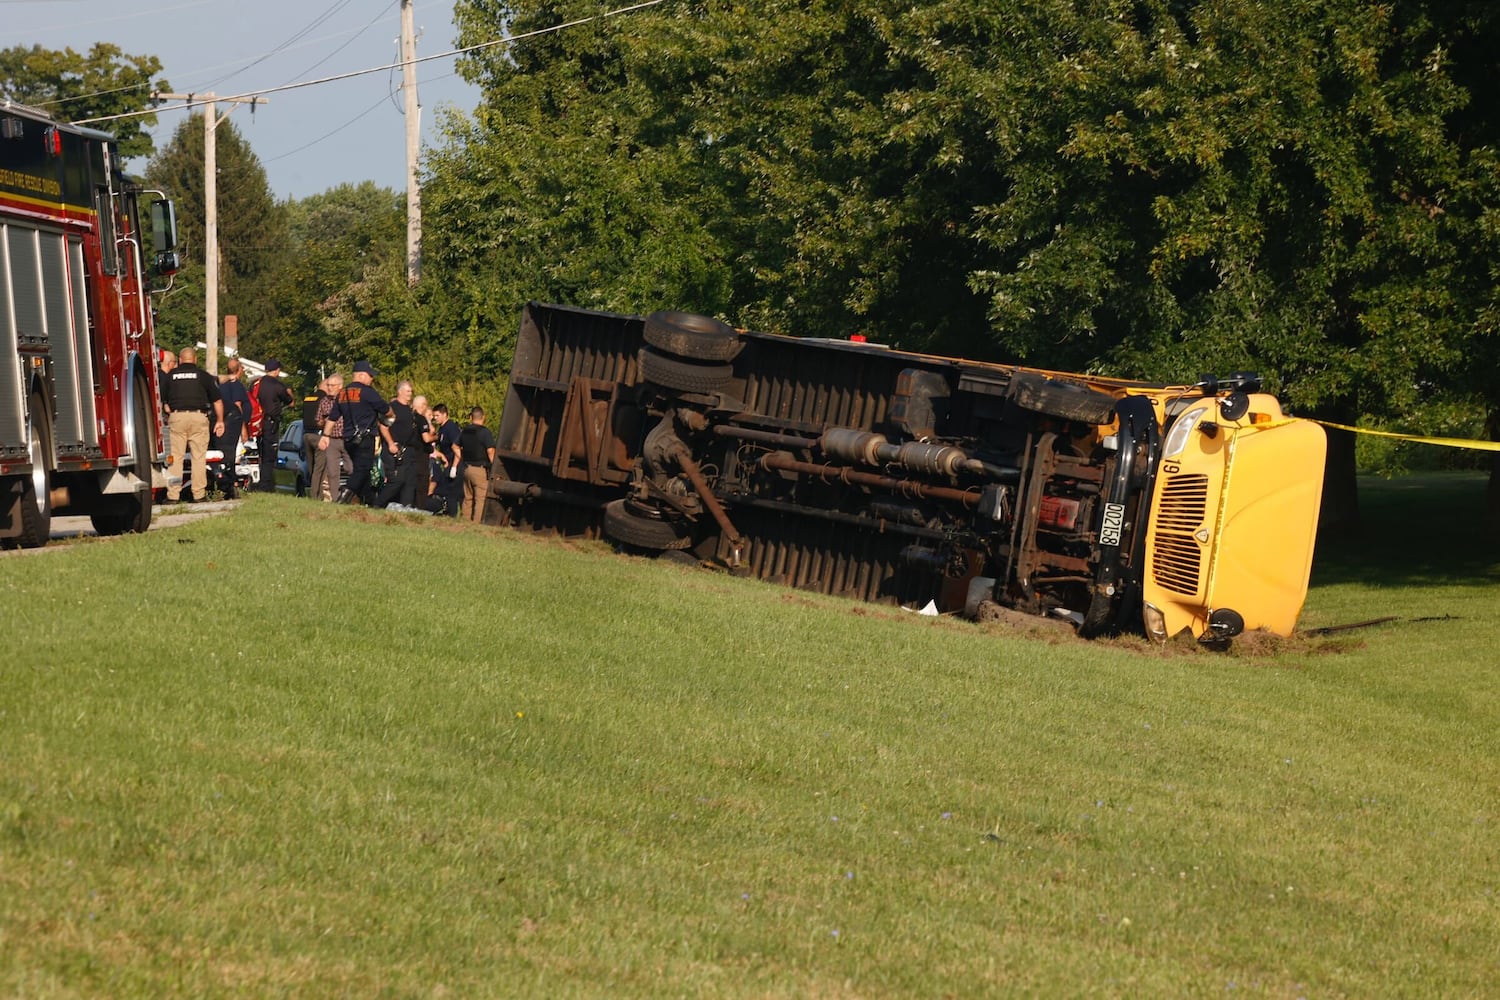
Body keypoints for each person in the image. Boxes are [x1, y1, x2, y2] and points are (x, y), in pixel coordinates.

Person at [162, 347, 225, 503]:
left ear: (180, 360)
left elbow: (164, 403)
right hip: (199, 417)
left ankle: (173, 496)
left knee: (176, 458)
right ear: (195, 359)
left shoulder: (170, 376)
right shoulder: (204, 377)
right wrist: (220, 420)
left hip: (177, 417)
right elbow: (217, 401)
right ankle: (198, 495)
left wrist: (171, 411)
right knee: (198, 457)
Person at [326, 360, 392, 505]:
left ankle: (371, 503)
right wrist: (392, 415)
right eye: (370, 376)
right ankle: (343, 497)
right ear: (362, 375)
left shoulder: (342, 393)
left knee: (362, 473)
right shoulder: (368, 392)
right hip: (365, 438)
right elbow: (385, 410)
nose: (372, 379)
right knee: (363, 470)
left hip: (349, 439)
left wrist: (325, 436)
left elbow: (332, 418)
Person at [373, 381, 433, 509]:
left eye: (411, 391)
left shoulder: (411, 411)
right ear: (400, 391)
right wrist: (390, 443)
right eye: (407, 391)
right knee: (397, 480)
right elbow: (383, 427)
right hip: (395, 449)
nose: (410, 394)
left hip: (410, 451)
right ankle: (377, 504)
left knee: (410, 481)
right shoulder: (392, 408)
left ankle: (406, 509)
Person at [213, 358, 252, 498]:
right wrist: (243, 428)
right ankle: (231, 483)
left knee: (224, 454)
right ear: (239, 369)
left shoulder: (221, 384)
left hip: (221, 422)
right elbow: (238, 405)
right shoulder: (236, 385)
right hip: (233, 424)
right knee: (234, 455)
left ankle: (225, 482)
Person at [254, 359, 293, 492]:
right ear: (276, 370)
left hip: (258, 423)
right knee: (270, 456)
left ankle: (261, 482)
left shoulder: (256, 383)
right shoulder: (278, 386)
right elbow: (290, 401)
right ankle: (266, 486)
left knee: (261, 454)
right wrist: (290, 393)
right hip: (271, 423)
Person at [310, 373, 350, 502]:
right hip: (331, 440)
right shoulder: (324, 401)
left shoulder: (347, 399)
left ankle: (354, 495)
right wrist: (322, 423)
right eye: (328, 385)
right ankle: (335, 499)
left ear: (340, 386)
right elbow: (318, 420)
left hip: (346, 439)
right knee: (332, 473)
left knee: (351, 468)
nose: (329, 388)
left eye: (332, 385)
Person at [458, 405, 496, 522]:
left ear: (471, 417)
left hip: (467, 468)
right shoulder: (485, 432)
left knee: (468, 498)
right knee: (480, 499)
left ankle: (464, 523)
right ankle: (476, 525)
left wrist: (461, 457)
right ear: (483, 417)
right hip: (480, 470)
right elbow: (491, 451)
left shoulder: (465, 431)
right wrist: (495, 469)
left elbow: (455, 445)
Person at [426, 403, 462, 516]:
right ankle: (446, 511)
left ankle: (452, 515)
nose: (435, 418)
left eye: (437, 415)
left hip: (453, 463)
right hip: (447, 463)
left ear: (444, 414)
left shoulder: (451, 428)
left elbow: (457, 448)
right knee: (445, 489)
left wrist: (455, 466)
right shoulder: (442, 429)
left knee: (451, 491)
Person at [301, 377, 331, 495]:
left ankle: (314, 492)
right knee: (320, 468)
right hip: (319, 436)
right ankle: (316, 495)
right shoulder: (325, 399)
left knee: (311, 467)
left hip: (306, 435)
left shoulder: (308, 398)